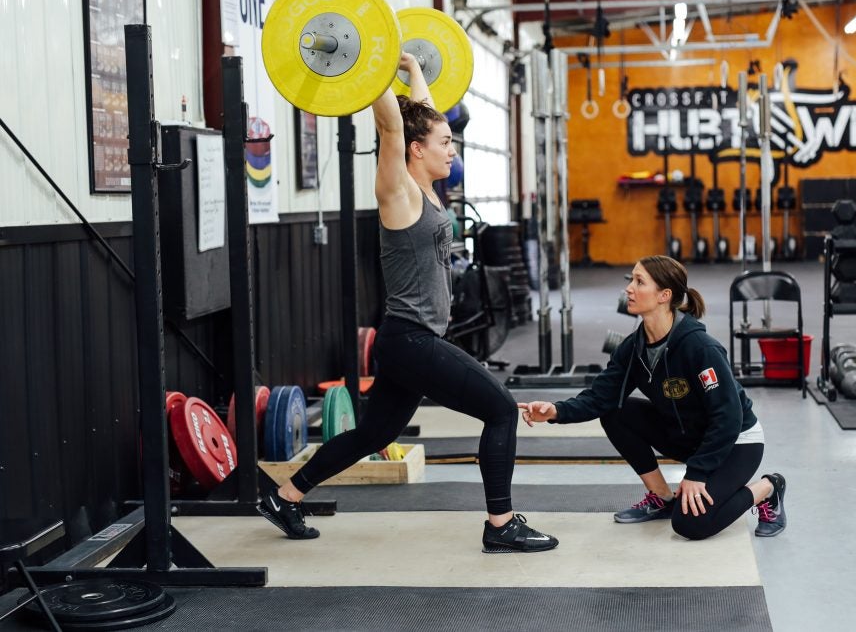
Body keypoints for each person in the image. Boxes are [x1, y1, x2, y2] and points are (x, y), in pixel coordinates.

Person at [258, 53, 558, 554]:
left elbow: (420, 114)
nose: (452, 150)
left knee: (374, 433)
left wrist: (413, 65)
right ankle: (501, 524)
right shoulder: (397, 190)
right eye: (445, 144)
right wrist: (365, 63)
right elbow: (393, 127)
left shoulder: (427, 185)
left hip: (411, 341)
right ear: (416, 150)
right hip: (410, 339)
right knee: (502, 410)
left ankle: (286, 497)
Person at [519, 256, 787, 540]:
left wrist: (696, 473)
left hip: (736, 443)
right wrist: (555, 412)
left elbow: (728, 417)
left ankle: (769, 488)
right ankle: (662, 497)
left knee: (691, 525)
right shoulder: (633, 348)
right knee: (614, 412)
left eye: (639, 282)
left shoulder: (700, 348)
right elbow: (601, 397)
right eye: (631, 281)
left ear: (664, 295)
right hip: (691, 437)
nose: (629, 290)